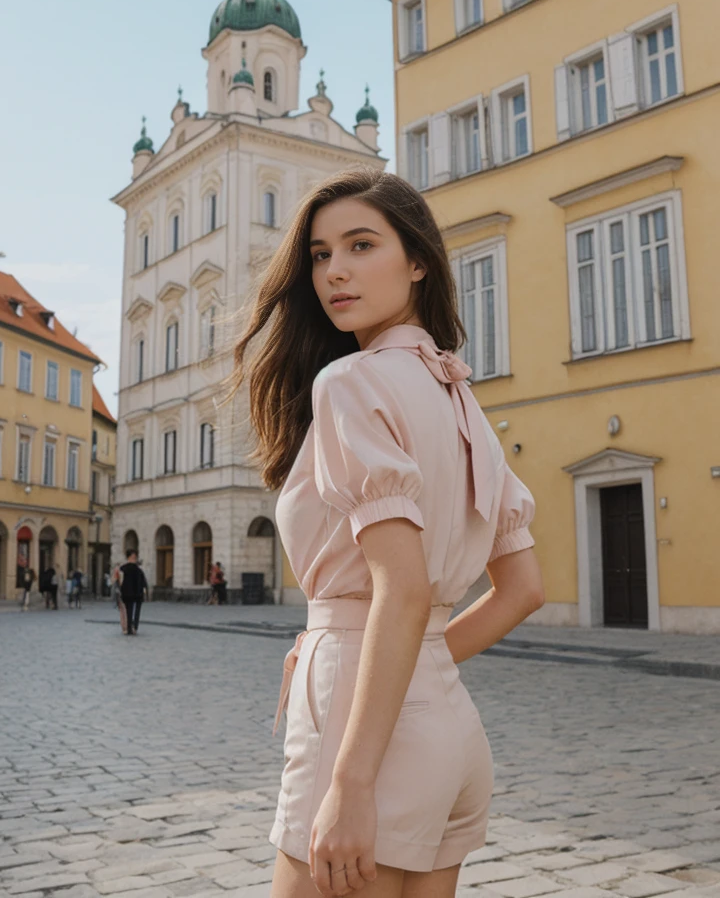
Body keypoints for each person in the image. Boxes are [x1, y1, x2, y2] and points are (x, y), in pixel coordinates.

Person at [225, 168, 544, 897]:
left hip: (362, 729)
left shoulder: (350, 383)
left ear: (418, 259)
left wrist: (351, 780)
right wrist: (425, 660)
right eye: (319, 253)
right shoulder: (461, 398)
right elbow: (523, 590)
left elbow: (401, 591)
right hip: (449, 731)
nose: (335, 271)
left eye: (361, 245)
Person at [118, 549, 148, 636]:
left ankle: (131, 627)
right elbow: (143, 582)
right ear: (129, 557)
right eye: (133, 557)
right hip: (133, 593)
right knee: (133, 610)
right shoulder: (135, 570)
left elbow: (120, 581)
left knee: (131, 610)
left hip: (130, 593)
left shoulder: (124, 569)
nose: (134, 559)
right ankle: (132, 627)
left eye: (135, 557)